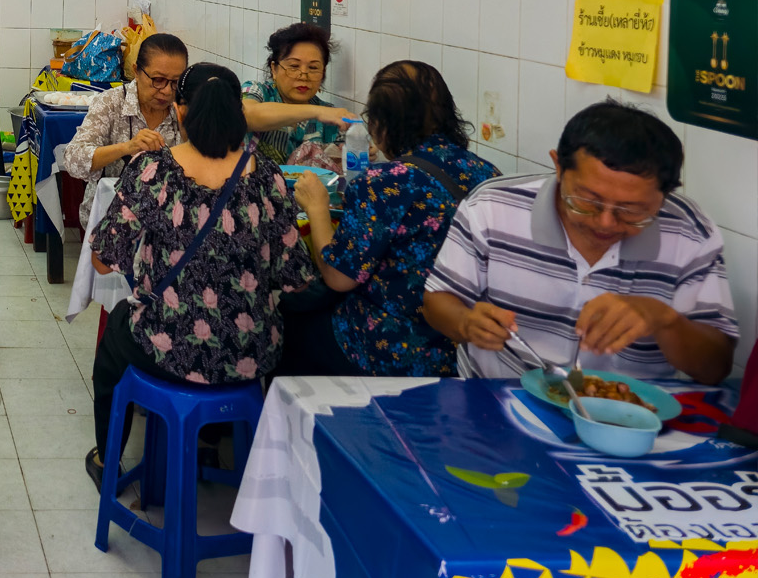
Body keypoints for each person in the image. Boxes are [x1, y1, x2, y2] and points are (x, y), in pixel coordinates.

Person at [85, 63, 317, 489]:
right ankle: (209, 442)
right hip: (250, 353)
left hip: (168, 349)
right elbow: (296, 279)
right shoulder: (268, 178)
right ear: (239, 115)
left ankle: (106, 458)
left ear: (179, 111)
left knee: (115, 339)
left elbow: (102, 261)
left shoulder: (153, 171)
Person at [423, 100, 736, 384]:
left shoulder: (689, 232)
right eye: (587, 201)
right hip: (501, 397)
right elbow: (438, 301)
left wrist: (664, 320)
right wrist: (466, 323)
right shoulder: (493, 207)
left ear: (665, 195)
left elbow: (715, 367)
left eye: (633, 211)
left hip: (633, 413)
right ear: (558, 167)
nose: (605, 222)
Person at [282, 61, 499, 377]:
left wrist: (317, 208)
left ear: (384, 124)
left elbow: (339, 277)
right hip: (465, 347)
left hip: (390, 348)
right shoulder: (486, 173)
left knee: (289, 323)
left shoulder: (384, 182)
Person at [62, 33, 188, 228]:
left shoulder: (182, 109)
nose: (166, 91)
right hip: (110, 220)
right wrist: (127, 147)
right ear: (136, 71)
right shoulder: (111, 103)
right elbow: (73, 159)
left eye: (175, 83)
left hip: (168, 224)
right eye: (157, 80)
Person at [241, 22, 351, 168]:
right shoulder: (257, 91)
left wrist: (358, 151)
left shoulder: (330, 120)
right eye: (294, 66)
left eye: (313, 68)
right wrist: (317, 112)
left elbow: (340, 170)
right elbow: (247, 115)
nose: (303, 75)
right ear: (274, 69)